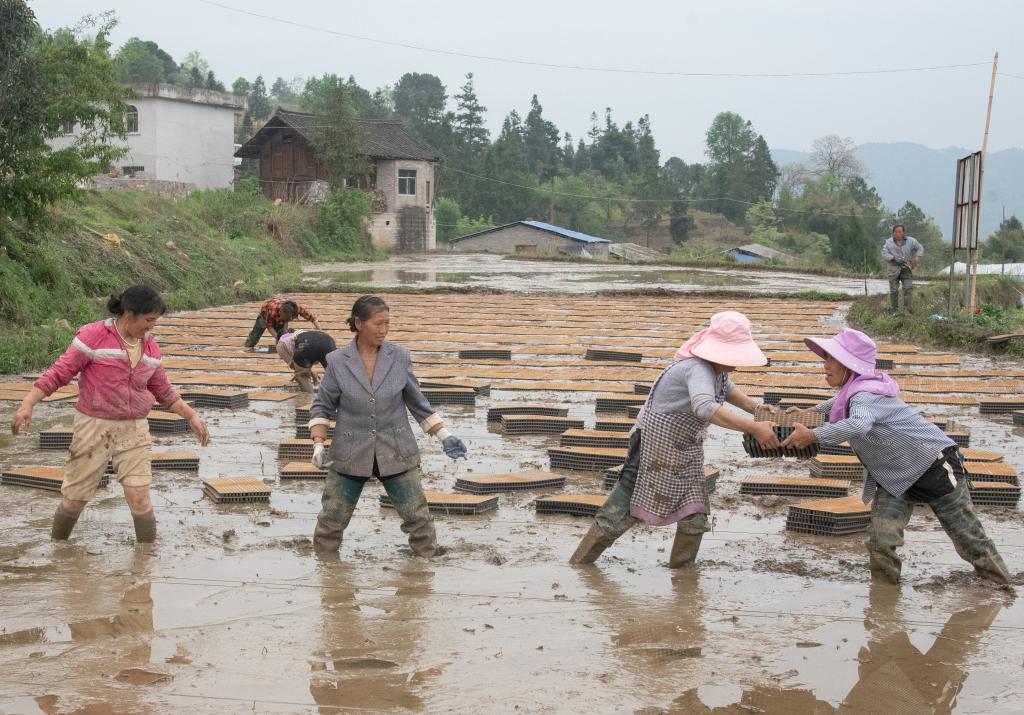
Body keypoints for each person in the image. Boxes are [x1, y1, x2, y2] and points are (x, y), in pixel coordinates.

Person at [781, 328, 1010, 584]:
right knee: (881, 541)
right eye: (825, 358)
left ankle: (1001, 586)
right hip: (895, 478)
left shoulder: (865, 395)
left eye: (832, 359)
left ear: (850, 364)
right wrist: (807, 413)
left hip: (933, 466)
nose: (825, 365)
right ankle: (884, 600)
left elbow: (859, 424)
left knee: (968, 538)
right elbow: (836, 406)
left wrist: (814, 436)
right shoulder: (855, 392)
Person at [570, 311, 782, 568]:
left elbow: (727, 390)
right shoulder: (696, 368)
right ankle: (581, 564)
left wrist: (757, 410)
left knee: (695, 513)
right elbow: (704, 406)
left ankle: (682, 574)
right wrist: (754, 428)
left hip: (684, 447)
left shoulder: (716, 370)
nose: (736, 362)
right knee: (624, 505)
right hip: (653, 445)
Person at [11, 285, 210, 544]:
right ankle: (58, 550)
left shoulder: (149, 347)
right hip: (94, 426)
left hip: (134, 427)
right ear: (129, 313)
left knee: (139, 497)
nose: (151, 327)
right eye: (149, 320)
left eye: (155, 321)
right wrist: (28, 403)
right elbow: (59, 373)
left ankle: (146, 562)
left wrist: (190, 416)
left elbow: (161, 387)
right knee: (74, 500)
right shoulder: (94, 336)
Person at [307, 295, 469, 557]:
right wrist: (317, 444)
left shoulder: (399, 357)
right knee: (331, 519)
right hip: (350, 451)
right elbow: (322, 405)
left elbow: (417, 403)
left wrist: (443, 434)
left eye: (388, 324)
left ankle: (423, 571)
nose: (384, 330)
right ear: (359, 324)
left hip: (395, 448)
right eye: (378, 324)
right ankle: (328, 573)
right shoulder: (337, 361)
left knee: (417, 517)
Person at [244, 295, 321, 351]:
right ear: (280, 311)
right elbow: (269, 326)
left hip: (282, 311)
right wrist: (279, 338)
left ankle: (281, 347)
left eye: (284, 318)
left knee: (284, 336)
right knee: (255, 335)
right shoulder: (273, 310)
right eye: (280, 316)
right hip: (265, 313)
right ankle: (249, 342)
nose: (281, 318)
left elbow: (313, 319)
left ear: (290, 316)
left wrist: (320, 332)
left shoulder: (297, 309)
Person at [881, 223, 923, 316]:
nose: (897, 234)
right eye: (895, 232)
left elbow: (920, 248)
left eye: (899, 232)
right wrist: (892, 258)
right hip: (893, 268)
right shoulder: (888, 242)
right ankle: (894, 311)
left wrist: (916, 258)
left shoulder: (911, 241)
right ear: (893, 233)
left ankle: (906, 310)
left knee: (908, 288)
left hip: (906, 267)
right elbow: (884, 253)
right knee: (894, 290)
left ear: (903, 232)